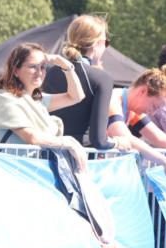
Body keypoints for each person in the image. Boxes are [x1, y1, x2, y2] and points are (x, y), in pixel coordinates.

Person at [0, 43, 87, 168]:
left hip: (35, 170)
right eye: (33, 67)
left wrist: (66, 66)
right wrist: (67, 143)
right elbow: (32, 137)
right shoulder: (4, 97)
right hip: (12, 172)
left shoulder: (36, 99)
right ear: (16, 70)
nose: (39, 72)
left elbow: (76, 96)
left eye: (43, 67)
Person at [42, 14, 125, 151]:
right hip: (82, 159)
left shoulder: (48, 72)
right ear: (98, 44)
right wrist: (117, 143)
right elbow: (99, 140)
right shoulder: (102, 78)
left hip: (46, 156)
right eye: (106, 42)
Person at [108, 66, 166, 185]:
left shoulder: (130, 109)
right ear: (143, 91)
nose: (152, 113)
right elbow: (127, 137)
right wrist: (164, 161)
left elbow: (161, 138)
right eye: (154, 106)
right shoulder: (113, 99)